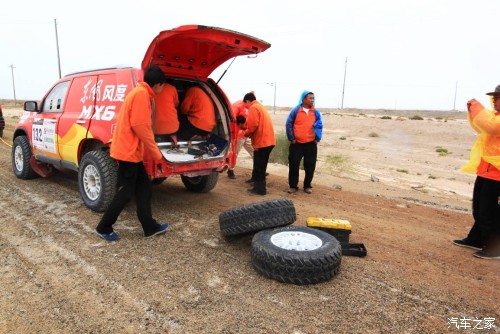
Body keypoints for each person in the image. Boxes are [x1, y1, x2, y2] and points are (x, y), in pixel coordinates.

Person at [95, 65, 169, 241]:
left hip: (131, 152)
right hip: (127, 153)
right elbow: (141, 127)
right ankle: (104, 227)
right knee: (126, 192)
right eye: (163, 85)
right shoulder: (142, 95)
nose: (163, 88)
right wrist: (157, 154)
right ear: (158, 84)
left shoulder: (140, 92)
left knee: (144, 187)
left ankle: (149, 226)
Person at [453, 84, 500, 260]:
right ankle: (477, 239)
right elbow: (482, 126)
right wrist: (473, 111)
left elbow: (491, 127)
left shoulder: (497, 121)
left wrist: (476, 107)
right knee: (480, 209)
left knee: (491, 212)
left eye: (497, 97)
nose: (494, 101)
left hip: (497, 176)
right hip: (486, 171)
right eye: (494, 97)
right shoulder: (495, 117)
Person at [285, 90, 323, 194]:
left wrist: (317, 138)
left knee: (310, 166)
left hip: (311, 144)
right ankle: (293, 186)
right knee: (294, 165)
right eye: (310, 98)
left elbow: (319, 125)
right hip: (296, 144)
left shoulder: (316, 112)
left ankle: (307, 186)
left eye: (313, 98)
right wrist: (291, 138)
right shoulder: (295, 111)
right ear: (303, 99)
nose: (312, 100)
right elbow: (288, 124)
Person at [243, 92, 275, 195]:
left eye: (246, 105)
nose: (246, 108)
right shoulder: (261, 107)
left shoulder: (253, 107)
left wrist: (245, 133)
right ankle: (259, 187)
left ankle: (260, 190)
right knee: (261, 166)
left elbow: (252, 125)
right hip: (269, 141)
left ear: (248, 101)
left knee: (259, 167)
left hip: (262, 142)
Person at [227, 99, 254, 179]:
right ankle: (230, 170)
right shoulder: (238, 106)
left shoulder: (250, 108)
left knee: (253, 151)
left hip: (246, 134)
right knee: (235, 153)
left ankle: (258, 169)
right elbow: (233, 120)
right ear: (247, 100)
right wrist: (234, 135)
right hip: (239, 135)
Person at [153, 81, 180, 147]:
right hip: (173, 128)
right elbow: (176, 104)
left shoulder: (150, 89)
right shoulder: (172, 88)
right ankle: (172, 137)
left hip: (155, 129)